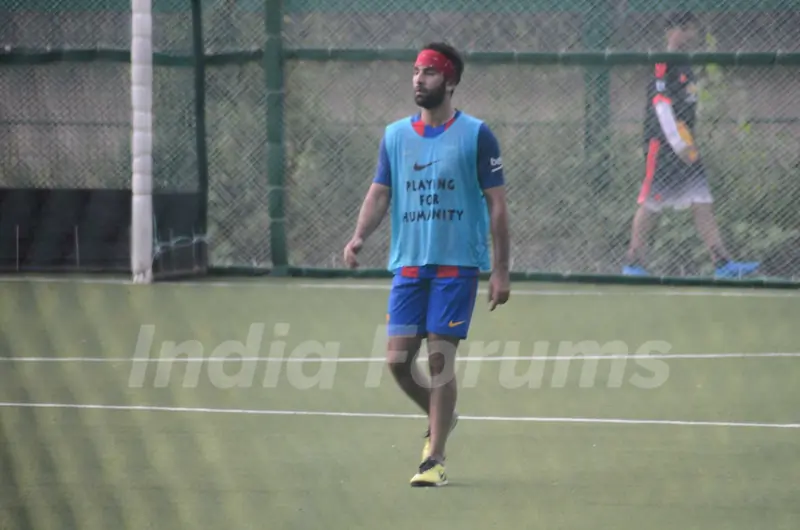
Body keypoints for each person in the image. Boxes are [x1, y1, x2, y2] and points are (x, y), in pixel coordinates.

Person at [343, 42, 511, 487]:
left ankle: (433, 459)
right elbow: (380, 192)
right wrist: (360, 236)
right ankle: (443, 418)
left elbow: (497, 205)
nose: (419, 79)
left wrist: (500, 269)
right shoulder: (396, 135)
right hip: (410, 266)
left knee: (440, 360)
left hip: (457, 266)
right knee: (398, 361)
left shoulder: (477, 135)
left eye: (430, 72)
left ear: (451, 82)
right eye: (416, 71)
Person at [622, 12, 759, 278]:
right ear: (675, 31)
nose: (693, 36)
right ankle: (632, 263)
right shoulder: (664, 61)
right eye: (689, 30)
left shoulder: (686, 63)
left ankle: (723, 264)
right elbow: (661, 104)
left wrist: (687, 143)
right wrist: (675, 142)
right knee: (652, 203)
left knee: (701, 200)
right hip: (663, 145)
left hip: (687, 144)